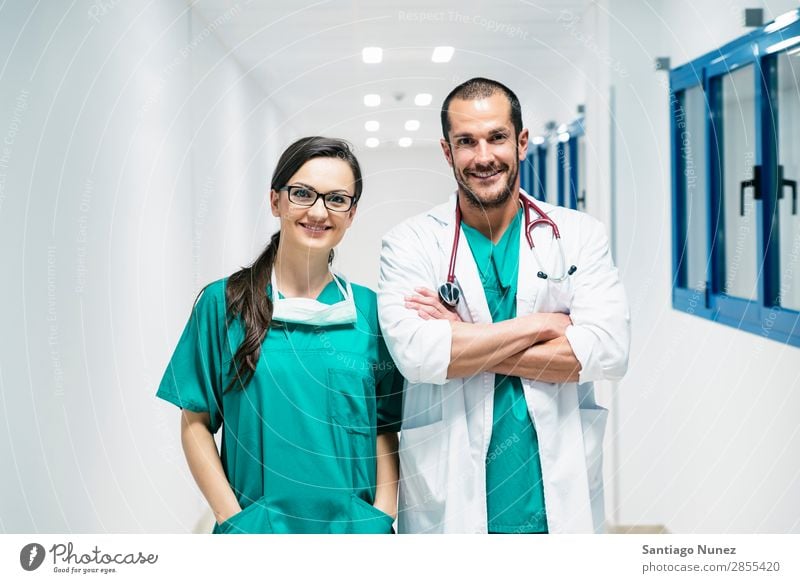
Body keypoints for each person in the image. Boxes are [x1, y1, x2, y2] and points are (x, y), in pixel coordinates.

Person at [377, 78, 630, 534]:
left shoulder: (578, 235)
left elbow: (608, 351)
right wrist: (544, 324)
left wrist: (461, 338)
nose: (483, 156)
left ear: (522, 141)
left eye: (496, 137)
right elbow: (419, 356)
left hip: (553, 495)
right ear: (446, 150)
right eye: (466, 142)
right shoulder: (409, 243)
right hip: (452, 499)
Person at [157, 136, 404, 534]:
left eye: (337, 199)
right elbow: (195, 421)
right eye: (302, 194)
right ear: (276, 201)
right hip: (257, 534)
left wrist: (381, 515)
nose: (319, 211)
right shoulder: (223, 305)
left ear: (352, 213)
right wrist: (232, 519)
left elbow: (383, 426)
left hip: (356, 537)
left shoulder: (372, 313)